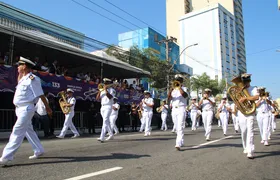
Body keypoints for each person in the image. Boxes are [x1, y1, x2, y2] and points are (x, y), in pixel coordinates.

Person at [0, 57, 52, 165]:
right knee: (29, 130)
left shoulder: (33, 79)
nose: (17, 67)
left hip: (27, 108)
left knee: (17, 131)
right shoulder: (23, 79)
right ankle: (39, 149)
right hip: (19, 108)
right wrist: (20, 74)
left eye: (19, 65)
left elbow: (40, 94)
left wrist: (47, 107)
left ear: (24, 66)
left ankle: (6, 157)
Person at [237, 73, 259, 159]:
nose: (245, 83)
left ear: (249, 81)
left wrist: (246, 98)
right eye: (244, 81)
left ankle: (250, 151)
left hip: (250, 111)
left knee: (250, 131)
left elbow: (256, 97)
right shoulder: (239, 89)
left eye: (247, 81)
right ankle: (245, 147)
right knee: (244, 131)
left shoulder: (254, 88)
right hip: (241, 112)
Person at [168, 74, 188, 150]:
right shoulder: (173, 90)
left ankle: (178, 143)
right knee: (177, 127)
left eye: (179, 80)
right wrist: (171, 89)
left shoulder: (184, 88)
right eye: (176, 80)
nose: (177, 82)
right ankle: (181, 141)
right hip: (174, 109)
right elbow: (169, 98)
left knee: (180, 126)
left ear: (182, 82)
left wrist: (179, 88)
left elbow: (185, 95)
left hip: (181, 108)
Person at [96, 78, 116, 142]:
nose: (104, 84)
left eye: (106, 83)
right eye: (104, 83)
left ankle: (102, 137)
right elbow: (97, 99)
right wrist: (99, 91)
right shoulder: (102, 91)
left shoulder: (112, 90)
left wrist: (105, 90)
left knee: (105, 121)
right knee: (106, 122)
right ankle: (111, 134)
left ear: (109, 84)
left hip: (108, 106)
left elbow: (110, 97)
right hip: (102, 107)